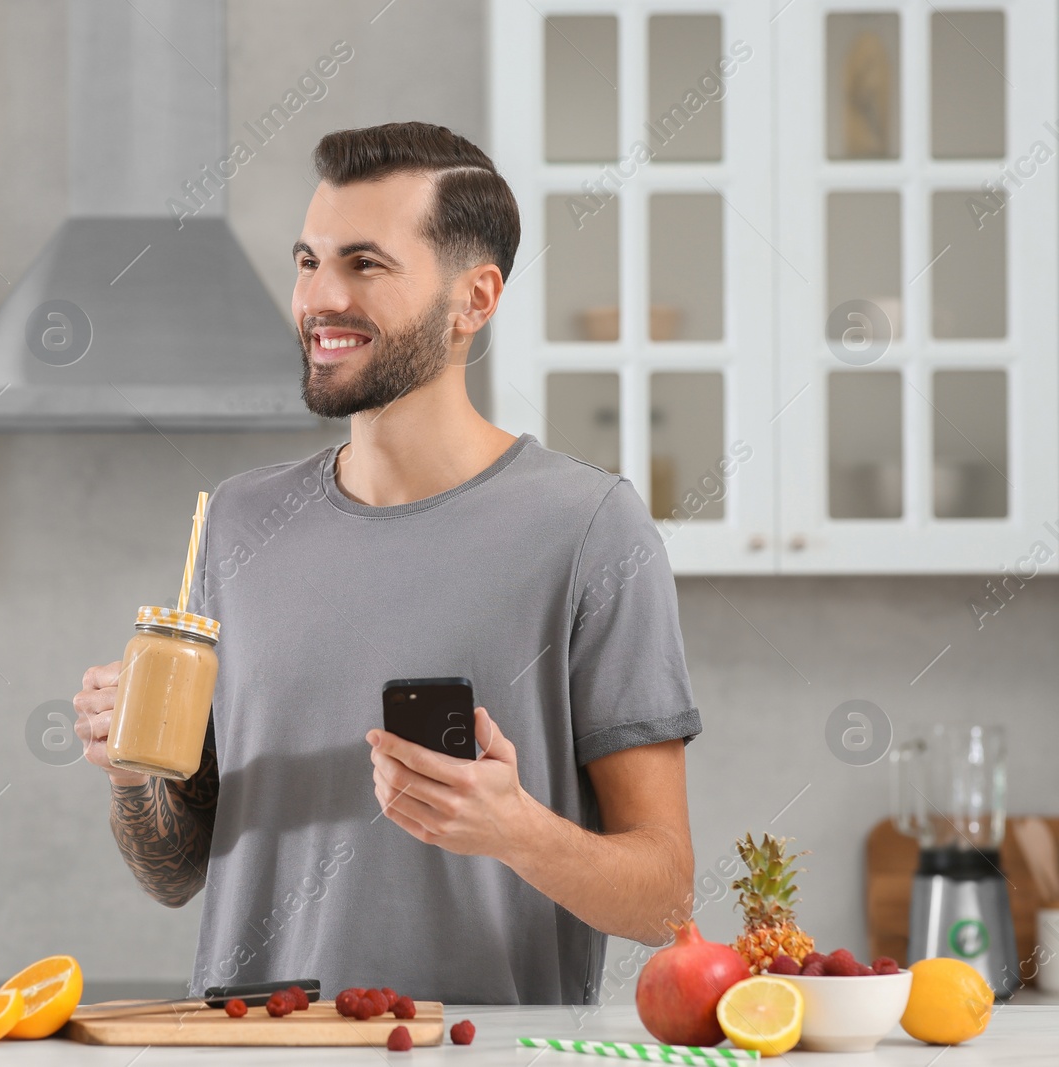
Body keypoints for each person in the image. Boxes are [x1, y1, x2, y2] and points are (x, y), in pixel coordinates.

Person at [72, 121, 699, 1004]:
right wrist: (132, 765)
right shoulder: (236, 520)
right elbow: (176, 869)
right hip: (250, 1048)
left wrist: (516, 830)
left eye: (365, 264)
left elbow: (665, 897)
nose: (319, 297)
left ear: (473, 299)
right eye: (306, 261)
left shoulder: (592, 528)